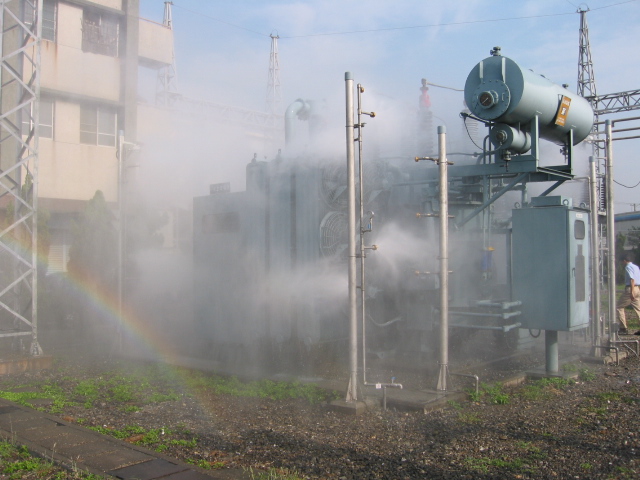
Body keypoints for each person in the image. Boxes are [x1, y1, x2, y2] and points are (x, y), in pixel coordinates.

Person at [616, 253, 640, 335]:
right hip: (638, 288)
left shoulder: (628, 267)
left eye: (622, 261)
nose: (622, 263)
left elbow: (632, 279)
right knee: (638, 309)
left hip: (631, 288)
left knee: (619, 306)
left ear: (624, 261)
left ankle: (623, 328)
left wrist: (631, 292)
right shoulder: (636, 267)